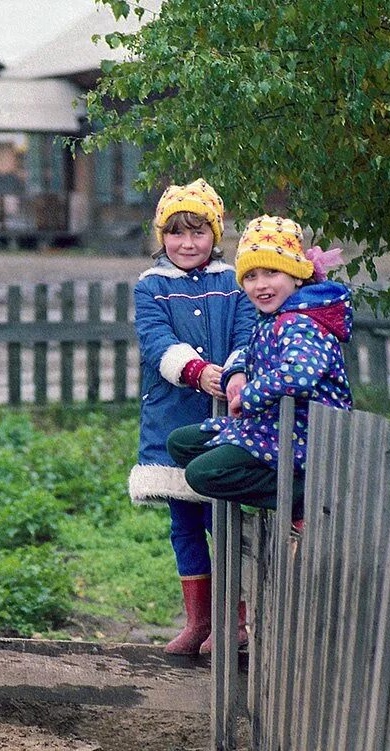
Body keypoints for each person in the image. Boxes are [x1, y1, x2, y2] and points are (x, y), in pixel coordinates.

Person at [128, 178, 256, 656]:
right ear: (162, 235)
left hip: (228, 416)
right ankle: (198, 619)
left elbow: (247, 331)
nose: (187, 243)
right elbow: (156, 340)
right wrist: (196, 370)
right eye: (177, 233)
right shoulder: (151, 286)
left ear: (215, 234)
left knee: (219, 516)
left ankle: (236, 619)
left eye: (198, 233)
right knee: (183, 520)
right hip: (172, 415)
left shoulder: (233, 282)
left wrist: (238, 370)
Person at [167, 214, 352, 525]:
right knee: (181, 443)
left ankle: (303, 496)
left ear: (296, 276)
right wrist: (237, 372)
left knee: (204, 474)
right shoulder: (274, 317)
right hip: (272, 426)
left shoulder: (301, 322)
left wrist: (250, 394)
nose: (261, 285)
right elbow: (256, 356)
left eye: (271, 272)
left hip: (303, 435)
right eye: (250, 276)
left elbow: (301, 373)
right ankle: (269, 482)